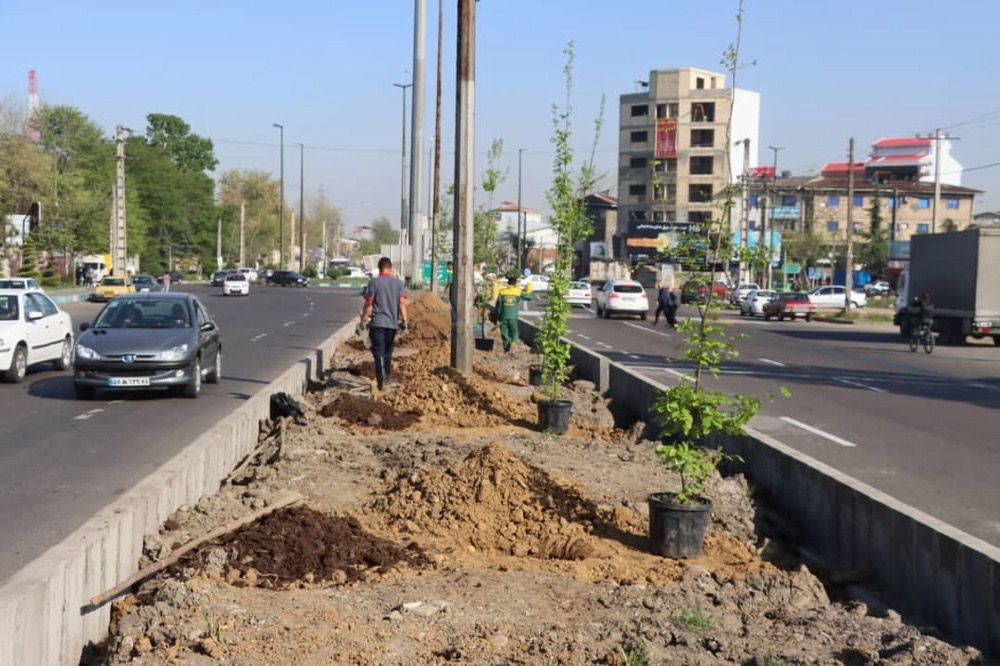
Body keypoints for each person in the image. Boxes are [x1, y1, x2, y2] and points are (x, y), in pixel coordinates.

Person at [361, 256, 408, 391]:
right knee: (388, 351)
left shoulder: (374, 282)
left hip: (377, 323)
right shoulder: (398, 284)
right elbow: (402, 304)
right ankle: (387, 377)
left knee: (378, 352)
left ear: (379, 268)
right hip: (392, 324)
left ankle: (381, 382)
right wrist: (405, 321)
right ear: (390, 268)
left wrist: (364, 319)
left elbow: (369, 303)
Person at [494, 275, 531, 353]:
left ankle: (506, 350)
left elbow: (498, 306)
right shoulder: (518, 291)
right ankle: (514, 342)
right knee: (514, 331)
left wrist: (497, 318)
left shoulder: (502, 292)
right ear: (515, 284)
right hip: (513, 316)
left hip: (503, 316)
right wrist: (535, 297)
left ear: (508, 283)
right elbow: (528, 296)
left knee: (504, 333)